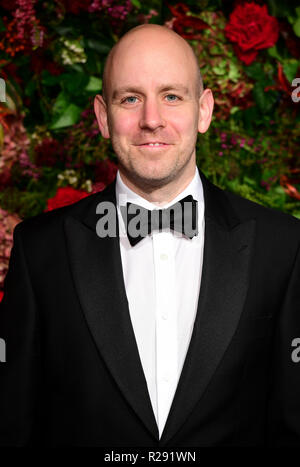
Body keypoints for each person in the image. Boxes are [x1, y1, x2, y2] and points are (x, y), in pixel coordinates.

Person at [0, 23, 300, 447]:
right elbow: (14, 424)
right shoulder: (39, 250)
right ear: (103, 117)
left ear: (204, 110)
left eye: (172, 96)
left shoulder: (283, 246)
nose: (151, 120)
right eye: (130, 99)